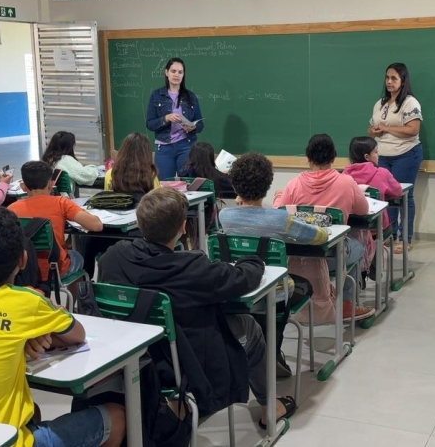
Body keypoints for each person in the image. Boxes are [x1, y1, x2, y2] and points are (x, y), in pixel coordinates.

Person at [99, 188, 297, 429]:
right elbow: (243, 279)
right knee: (248, 326)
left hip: (133, 354)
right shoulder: (191, 268)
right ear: (183, 227)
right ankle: (270, 407)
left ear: (140, 225)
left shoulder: (114, 256)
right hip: (185, 358)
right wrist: (253, 260)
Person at [0, 207, 125, 447]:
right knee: (116, 415)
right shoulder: (26, 300)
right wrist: (41, 328)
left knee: (34, 410)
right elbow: (77, 335)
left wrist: (28, 336)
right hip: (5, 442)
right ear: (23, 259)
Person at [220, 151, 324, 377]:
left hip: (237, 288)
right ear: (267, 185)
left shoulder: (224, 216)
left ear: (235, 186)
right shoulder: (279, 219)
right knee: (301, 286)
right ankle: (271, 353)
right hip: (274, 293)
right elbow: (319, 237)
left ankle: (261, 351)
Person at [274, 134, 375, 321]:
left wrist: (278, 196)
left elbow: (280, 213)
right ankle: (346, 303)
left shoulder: (294, 185)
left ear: (308, 159)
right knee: (358, 247)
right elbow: (363, 210)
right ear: (334, 158)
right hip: (332, 255)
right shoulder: (346, 182)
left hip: (299, 256)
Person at [9, 161, 102, 280]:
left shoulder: (12, 209)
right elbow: (96, 226)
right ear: (51, 184)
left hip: (24, 269)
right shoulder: (61, 203)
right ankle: (76, 298)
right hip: (56, 269)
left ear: (23, 186)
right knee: (76, 255)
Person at [368, 63, 422, 254]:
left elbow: (413, 130)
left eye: (394, 78)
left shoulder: (410, 102)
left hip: (406, 155)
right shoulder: (380, 103)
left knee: (404, 196)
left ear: (403, 81)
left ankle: (405, 239)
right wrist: (374, 131)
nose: (389, 82)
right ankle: (389, 236)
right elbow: (372, 128)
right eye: (387, 78)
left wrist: (387, 128)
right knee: (386, 197)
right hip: (383, 156)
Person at [342, 136, 404, 280]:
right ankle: (373, 265)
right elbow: (398, 192)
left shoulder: (344, 176)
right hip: (377, 228)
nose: (379, 155)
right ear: (367, 156)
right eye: (376, 152)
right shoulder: (382, 173)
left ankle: (361, 270)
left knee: (360, 232)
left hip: (352, 228)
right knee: (383, 228)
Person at [146, 58, 204, 180]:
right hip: (164, 147)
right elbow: (150, 124)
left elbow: (200, 124)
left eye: (180, 72)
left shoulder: (191, 96)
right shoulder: (156, 95)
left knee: (188, 183)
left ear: (183, 75)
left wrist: (193, 127)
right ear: (166, 72)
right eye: (173, 71)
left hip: (186, 145)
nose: (176, 75)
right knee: (164, 186)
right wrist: (166, 118)